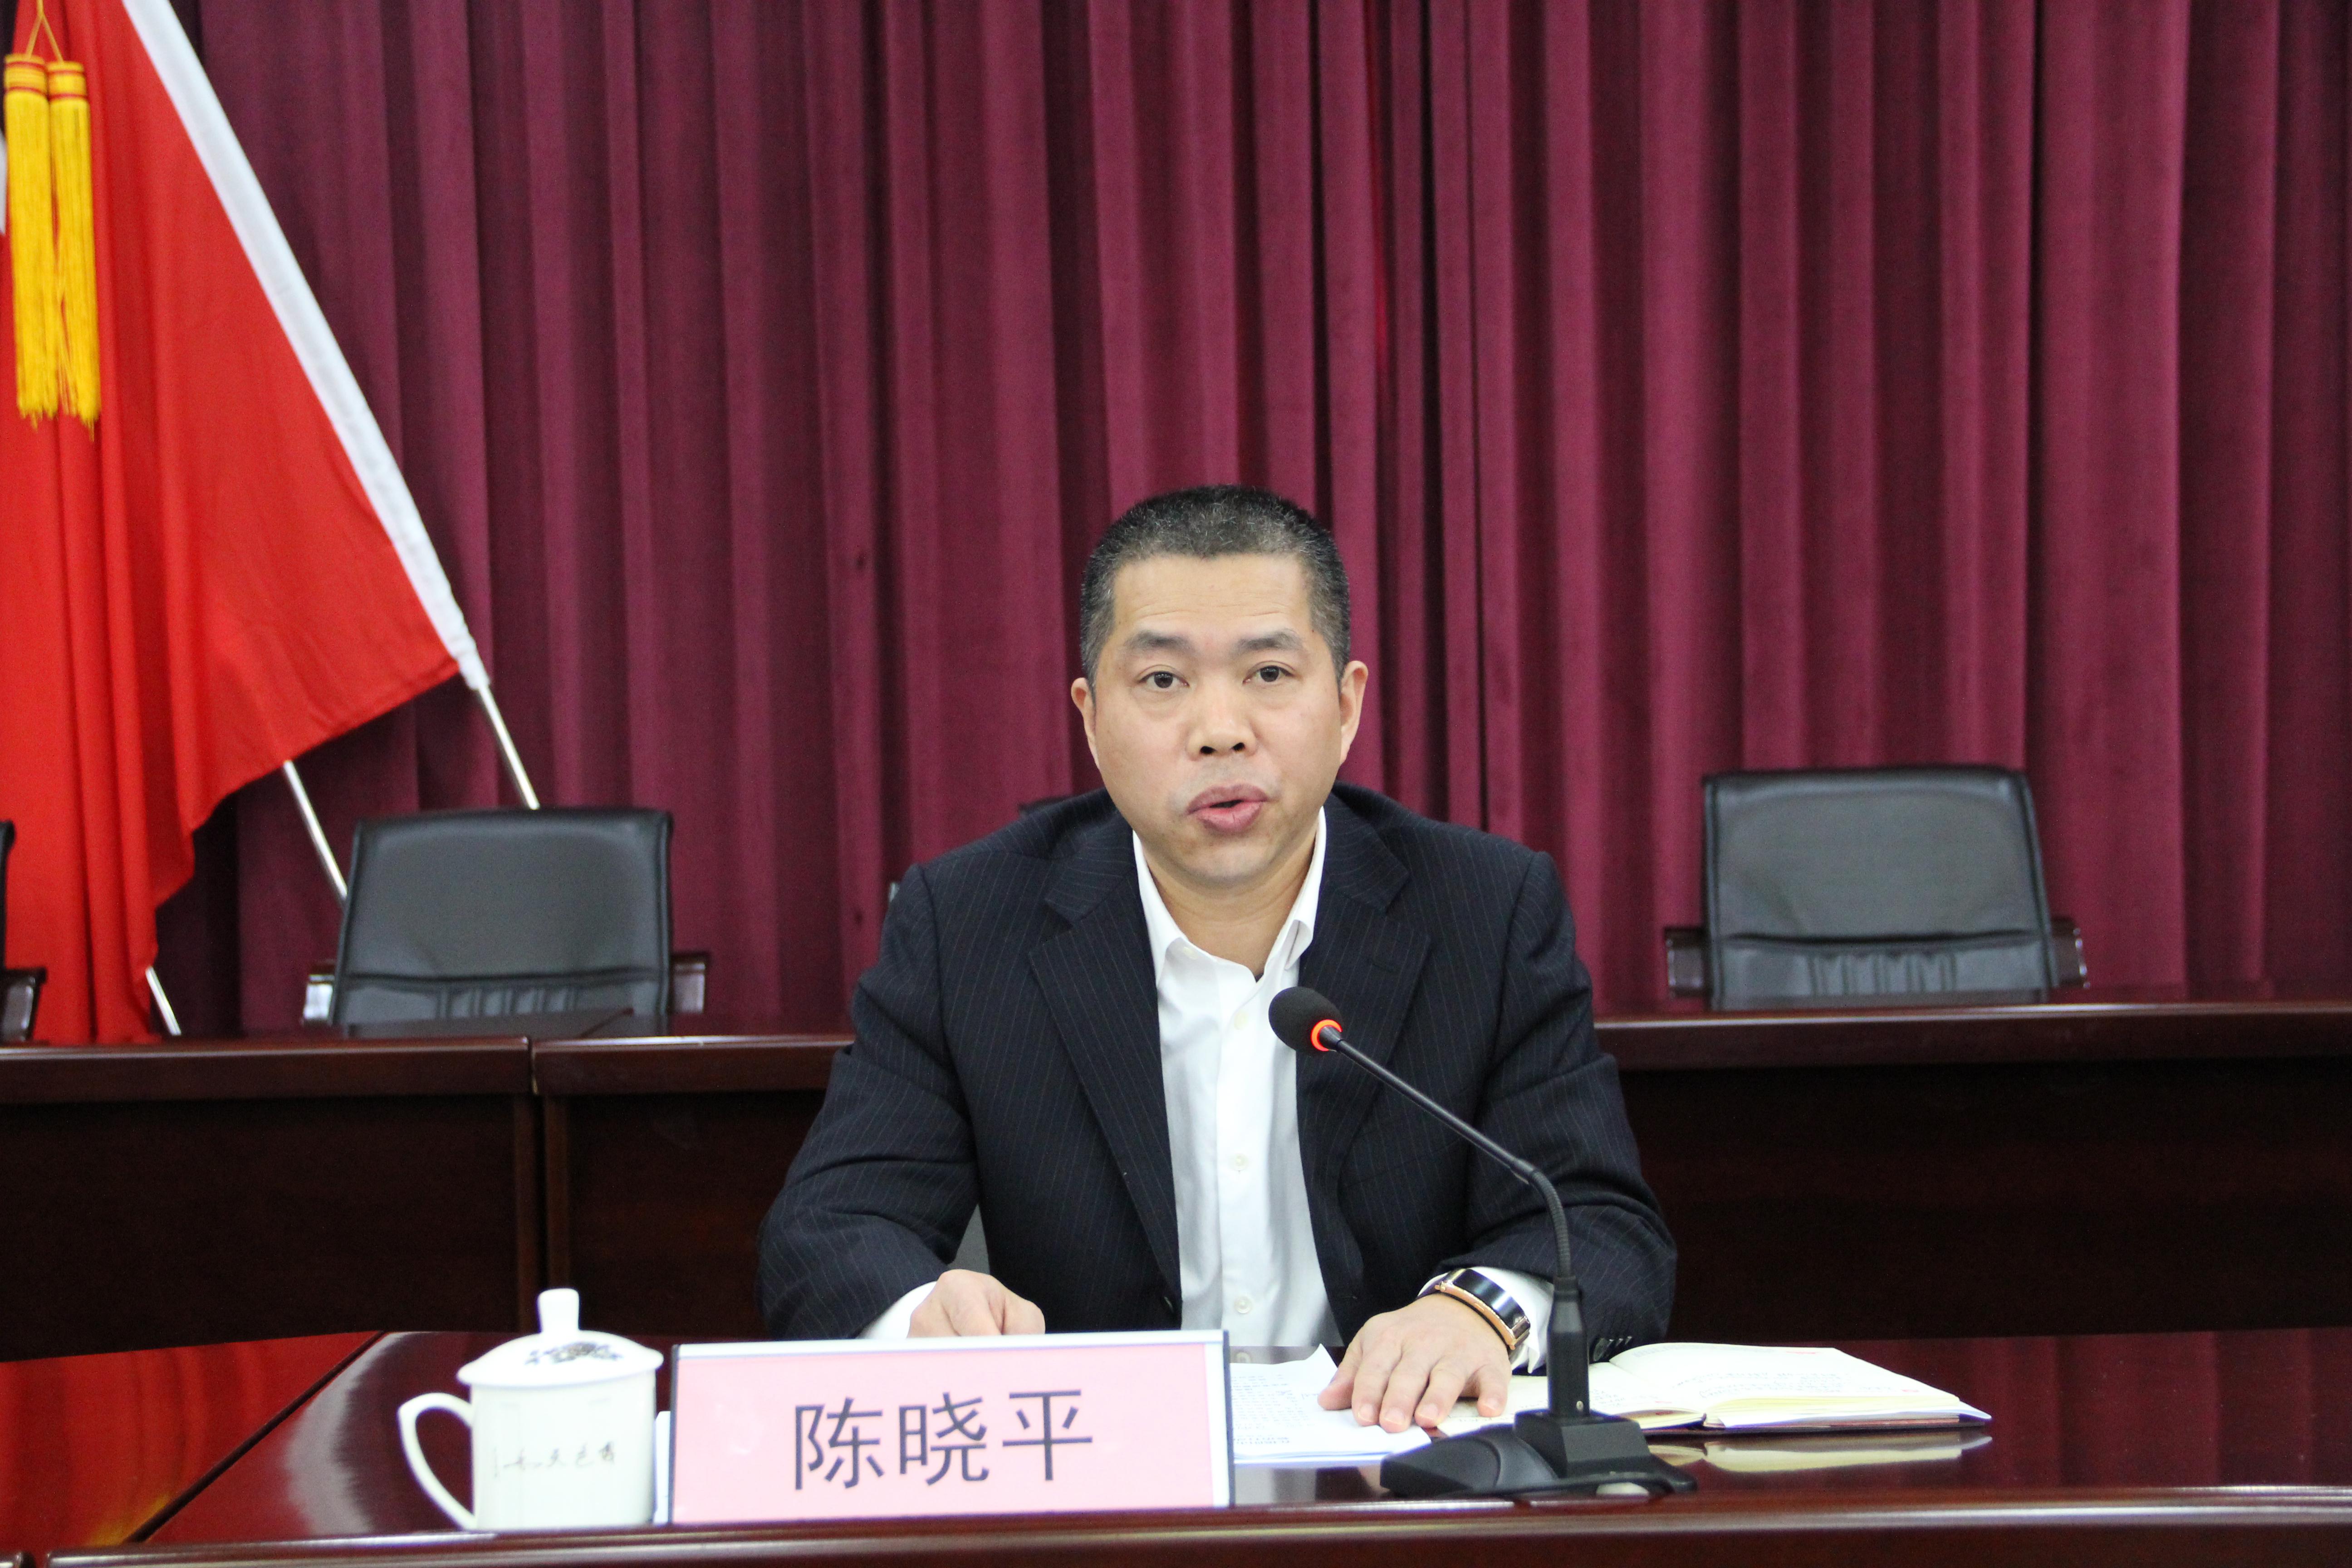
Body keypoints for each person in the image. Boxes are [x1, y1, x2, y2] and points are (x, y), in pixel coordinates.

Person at [759, 485, 1673, 1434]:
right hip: (1105, 1472)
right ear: (1091, 719)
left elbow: (1601, 1225)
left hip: (1399, 1460)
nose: (1221, 729)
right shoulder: (968, 925)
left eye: (1269, 673)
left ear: (1347, 704)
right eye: (1163, 681)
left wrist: (1478, 1311)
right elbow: (829, 1231)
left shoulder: (1486, 911)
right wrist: (925, 1317)